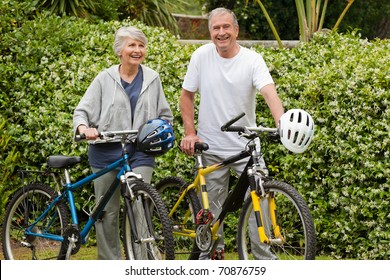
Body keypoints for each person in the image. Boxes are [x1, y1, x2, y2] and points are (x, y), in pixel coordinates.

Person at [180, 7, 284, 259]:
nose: (221, 32)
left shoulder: (252, 59)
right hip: (211, 147)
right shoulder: (201, 56)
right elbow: (187, 95)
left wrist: (282, 123)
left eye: (226, 27)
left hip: (246, 147)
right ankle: (211, 259)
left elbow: (269, 92)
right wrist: (190, 133)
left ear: (236, 30)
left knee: (259, 200)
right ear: (210, 32)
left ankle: (263, 260)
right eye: (216, 28)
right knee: (212, 213)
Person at [73, 26, 173, 260]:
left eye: (141, 45)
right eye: (132, 45)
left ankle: (143, 261)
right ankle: (111, 264)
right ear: (120, 50)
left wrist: (159, 130)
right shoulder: (104, 79)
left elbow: (165, 115)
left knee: (140, 203)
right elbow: (81, 112)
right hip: (105, 150)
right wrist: (84, 129)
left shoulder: (152, 78)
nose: (137, 50)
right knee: (107, 212)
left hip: (139, 151)